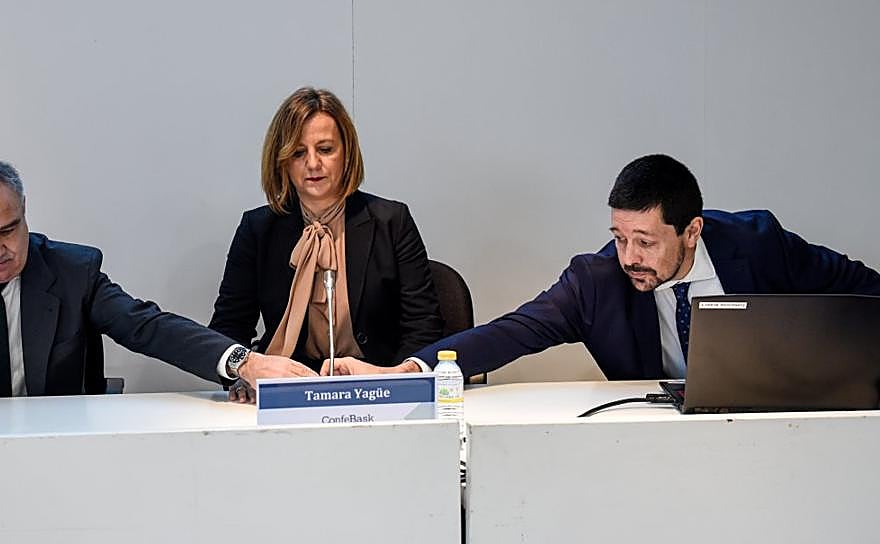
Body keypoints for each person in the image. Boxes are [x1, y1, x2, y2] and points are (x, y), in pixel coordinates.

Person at [328, 154, 880, 381]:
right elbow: (509, 333)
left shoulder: (760, 245)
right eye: (619, 237)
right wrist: (410, 371)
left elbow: (859, 291)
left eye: (644, 241)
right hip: (648, 451)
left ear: (692, 230)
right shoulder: (596, 281)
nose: (629, 258)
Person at [0, 160, 315, 398]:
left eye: (9, 230)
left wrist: (242, 362)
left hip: (54, 453)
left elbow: (147, 326)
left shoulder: (70, 271)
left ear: (25, 216)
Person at [209, 87, 443, 401]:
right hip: (284, 388)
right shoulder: (258, 229)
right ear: (282, 162)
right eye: (298, 152)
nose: (313, 163)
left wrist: (398, 379)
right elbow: (228, 326)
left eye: (325, 149)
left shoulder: (391, 221)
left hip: (376, 385)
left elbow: (423, 325)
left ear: (346, 153)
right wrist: (243, 373)